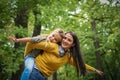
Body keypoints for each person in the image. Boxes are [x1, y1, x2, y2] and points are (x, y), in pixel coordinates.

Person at [9, 31, 103, 80]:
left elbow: (80, 64)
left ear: (73, 44)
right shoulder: (53, 46)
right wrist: (26, 55)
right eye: (65, 38)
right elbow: (32, 41)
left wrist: (94, 70)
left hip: (44, 78)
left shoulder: (67, 57)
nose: (65, 41)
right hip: (33, 72)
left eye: (69, 40)